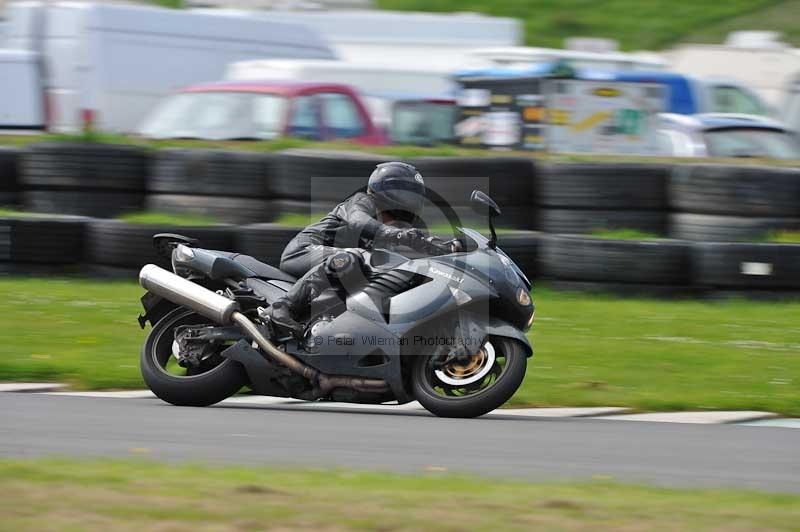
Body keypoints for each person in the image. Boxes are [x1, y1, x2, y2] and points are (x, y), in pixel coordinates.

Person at [268, 161, 440, 337]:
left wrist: (446, 248)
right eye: (407, 189)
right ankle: (282, 307)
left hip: (336, 265)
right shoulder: (362, 202)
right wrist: (396, 234)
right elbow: (358, 221)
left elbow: (412, 245)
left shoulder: (391, 227)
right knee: (355, 256)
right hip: (303, 251)